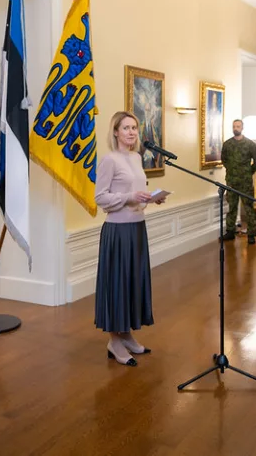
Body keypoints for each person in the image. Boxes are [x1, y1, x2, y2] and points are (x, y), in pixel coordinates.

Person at [94, 111, 164, 367]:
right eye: (126, 128)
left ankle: (126, 335)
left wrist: (150, 198)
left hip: (137, 228)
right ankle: (114, 342)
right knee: (118, 285)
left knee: (133, 283)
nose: (132, 132)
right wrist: (130, 197)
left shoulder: (136, 157)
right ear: (115, 132)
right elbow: (100, 197)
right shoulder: (109, 160)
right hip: (118, 231)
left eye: (134, 127)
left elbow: (136, 192)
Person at [221, 119, 256, 243]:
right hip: (231, 182)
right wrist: (232, 170)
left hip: (245, 182)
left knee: (249, 208)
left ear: (242, 128)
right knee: (232, 207)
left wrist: (248, 172)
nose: (236, 128)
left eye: (238, 126)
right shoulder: (227, 144)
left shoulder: (250, 144)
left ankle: (251, 234)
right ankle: (230, 231)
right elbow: (224, 160)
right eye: (234, 126)